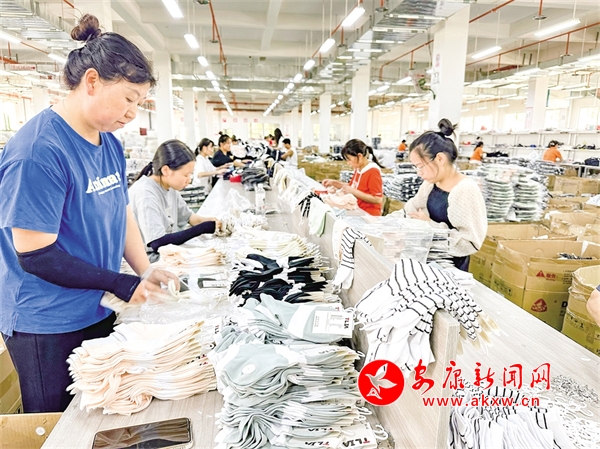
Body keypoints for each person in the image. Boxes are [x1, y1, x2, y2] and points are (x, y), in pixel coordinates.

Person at [0, 14, 178, 413]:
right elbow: (35, 255)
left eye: (140, 103)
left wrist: (144, 270)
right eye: (129, 98)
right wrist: (119, 282)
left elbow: (122, 211)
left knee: (97, 415)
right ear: (92, 81)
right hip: (45, 321)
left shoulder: (108, 142)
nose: (133, 112)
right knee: (60, 424)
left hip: (96, 304)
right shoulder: (38, 151)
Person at [403, 119, 487, 271]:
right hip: (428, 259)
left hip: (450, 268)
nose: (419, 173)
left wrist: (430, 225)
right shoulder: (431, 183)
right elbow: (412, 207)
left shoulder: (465, 190)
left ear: (440, 159)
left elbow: (469, 243)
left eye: (420, 166)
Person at [129, 139, 220, 262]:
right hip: (149, 262)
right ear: (166, 170)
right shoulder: (145, 194)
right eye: (186, 175)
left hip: (167, 256)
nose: (189, 179)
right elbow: (158, 243)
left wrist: (212, 221)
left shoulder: (169, 187)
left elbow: (189, 217)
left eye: (191, 174)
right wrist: (203, 228)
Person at [322, 139, 383, 216]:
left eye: (349, 160)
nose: (348, 163)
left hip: (369, 215)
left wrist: (353, 192)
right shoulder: (358, 169)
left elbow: (377, 199)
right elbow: (352, 186)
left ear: (359, 156)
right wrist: (334, 183)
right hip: (358, 211)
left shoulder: (373, 171)